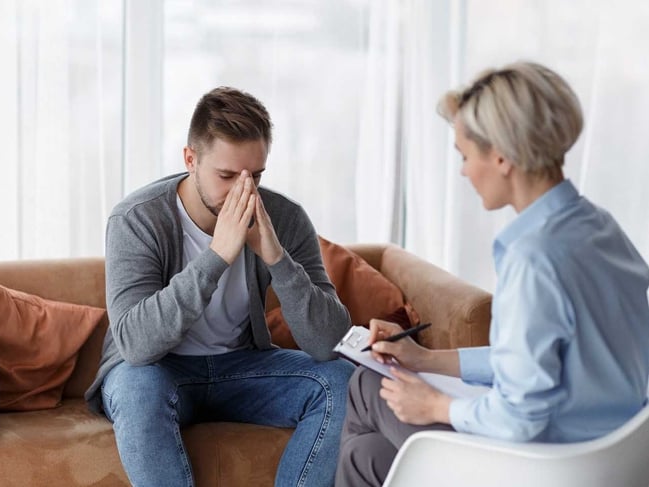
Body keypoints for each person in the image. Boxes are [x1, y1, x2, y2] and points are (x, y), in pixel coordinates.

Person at [335, 61, 649, 486]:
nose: (463, 171)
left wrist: (435, 406)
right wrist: (426, 360)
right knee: (365, 456)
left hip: (541, 467)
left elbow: (520, 419)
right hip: (613, 461)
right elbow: (530, 360)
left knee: (366, 386)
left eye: (465, 156)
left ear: (501, 156)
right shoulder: (600, 227)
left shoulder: (534, 259)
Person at [85, 86, 355, 487]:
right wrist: (217, 256)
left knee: (346, 381)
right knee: (138, 387)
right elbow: (136, 346)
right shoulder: (137, 218)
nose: (243, 191)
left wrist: (277, 259)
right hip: (158, 371)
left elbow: (328, 343)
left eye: (255, 176)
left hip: (241, 367)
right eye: (226, 175)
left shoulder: (283, 217)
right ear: (190, 159)